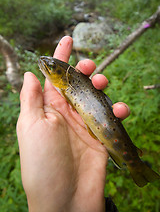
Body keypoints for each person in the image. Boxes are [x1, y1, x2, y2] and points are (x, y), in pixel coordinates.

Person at [16, 36, 130, 212]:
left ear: (64, 76)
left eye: (53, 67)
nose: (46, 64)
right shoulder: (60, 90)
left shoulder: (67, 84)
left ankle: (133, 161)